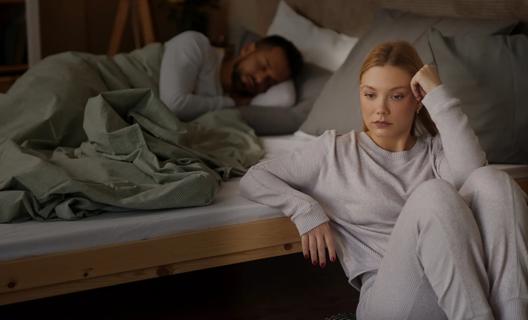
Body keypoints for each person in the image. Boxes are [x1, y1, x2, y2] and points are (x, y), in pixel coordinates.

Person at [240, 41, 528, 319]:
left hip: (460, 286)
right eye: (370, 94)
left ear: (418, 101)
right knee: (435, 194)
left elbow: (472, 174)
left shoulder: (436, 152)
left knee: (493, 180)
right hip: (389, 301)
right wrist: (305, 210)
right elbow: (255, 178)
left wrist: (437, 93)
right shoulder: (335, 151)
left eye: (396, 96)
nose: (380, 108)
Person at [159, 31, 303, 121]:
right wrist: (231, 102)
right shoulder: (196, 44)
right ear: (247, 49)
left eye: (270, 82)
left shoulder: (224, 110)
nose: (260, 80)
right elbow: (173, 106)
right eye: (263, 66)